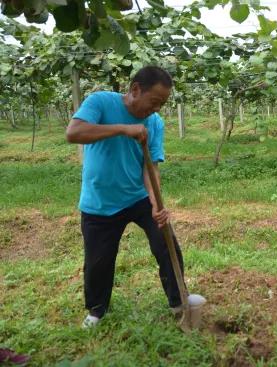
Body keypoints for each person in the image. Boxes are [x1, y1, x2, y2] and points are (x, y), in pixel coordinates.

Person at [66, 66, 185, 328]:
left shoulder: (154, 122)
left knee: (167, 244)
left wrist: (155, 202)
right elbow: (73, 133)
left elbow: (150, 166)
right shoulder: (100, 102)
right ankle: (96, 311)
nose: (156, 109)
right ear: (135, 90)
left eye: (162, 104)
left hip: (138, 197)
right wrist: (123, 129)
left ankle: (179, 303)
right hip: (99, 202)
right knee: (98, 262)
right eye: (154, 102)